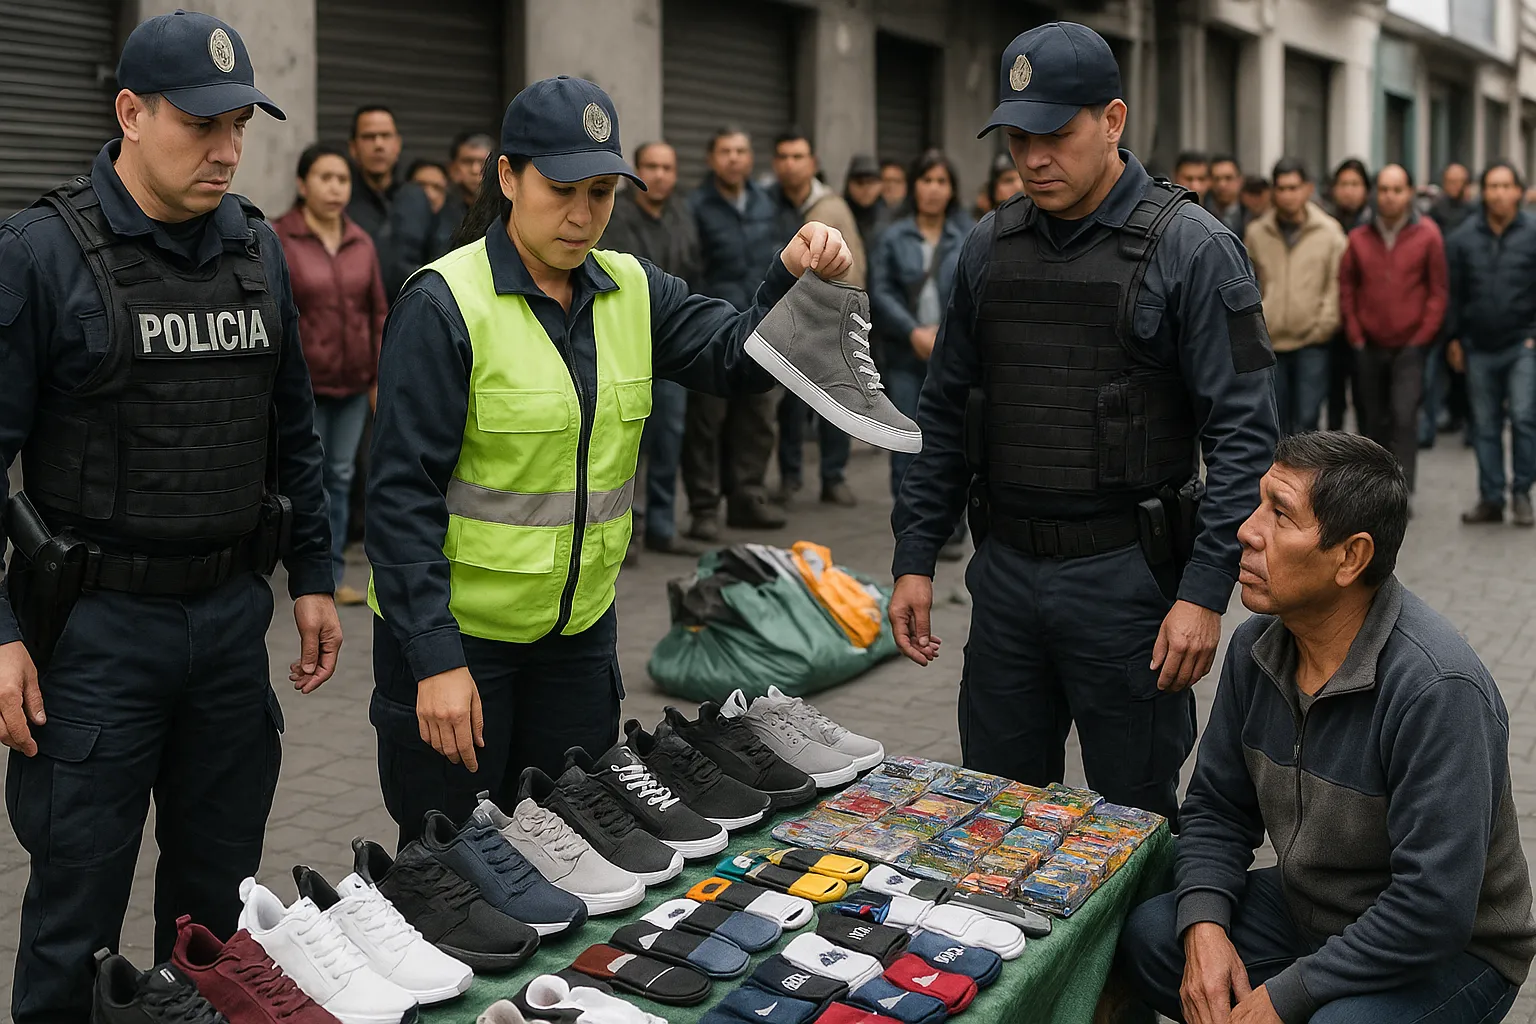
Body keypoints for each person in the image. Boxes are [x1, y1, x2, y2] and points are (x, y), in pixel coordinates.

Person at [364, 76, 852, 842]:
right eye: (561, 190)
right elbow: (399, 496)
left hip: (578, 645)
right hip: (464, 648)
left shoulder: (632, 288)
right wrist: (434, 659)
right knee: (455, 859)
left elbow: (736, 357)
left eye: (600, 192)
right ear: (507, 177)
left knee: (579, 846)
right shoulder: (443, 303)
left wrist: (790, 276)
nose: (582, 214)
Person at [0, 12, 339, 1019]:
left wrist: (314, 576)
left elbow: (293, 430)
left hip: (230, 627)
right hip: (95, 637)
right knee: (75, 921)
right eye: (201, 125)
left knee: (214, 921)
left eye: (239, 125)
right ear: (131, 114)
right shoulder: (40, 254)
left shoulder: (258, 250)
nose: (227, 151)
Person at [887, 23, 1278, 822]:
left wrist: (1203, 594)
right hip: (1005, 578)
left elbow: (1244, 438)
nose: (1033, 159)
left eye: (1056, 135)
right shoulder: (988, 247)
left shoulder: (1195, 251)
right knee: (992, 816)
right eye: (1018, 139)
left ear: (1112, 121)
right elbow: (945, 410)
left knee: (1134, 820)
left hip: (1126, 585)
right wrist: (915, 556)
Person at [1116, 432, 1535, 1024]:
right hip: (1311, 908)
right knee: (1156, 936)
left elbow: (1432, 910)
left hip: (1453, 951)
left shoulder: (1436, 689)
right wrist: (1205, 927)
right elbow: (1217, 809)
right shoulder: (1256, 648)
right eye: (1259, 503)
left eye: (1280, 514)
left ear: (1351, 558)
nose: (1247, 530)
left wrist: (1286, 996)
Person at [275, 143, 388, 603]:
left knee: (340, 478)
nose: (335, 188)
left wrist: (378, 374)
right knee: (306, 479)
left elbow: (377, 312)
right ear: (302, 184)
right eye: (325, 178)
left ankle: (333, 574)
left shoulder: (361, 241)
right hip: (303, 386)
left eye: (342, 179)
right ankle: (301, 568)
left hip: (353, 384)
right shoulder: (280, 237)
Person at [682, 127, 791, 535]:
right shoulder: (696, 206)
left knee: (758, 418)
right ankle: (704, 509)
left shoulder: (767, 203)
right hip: (712, 327)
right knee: (707, 423)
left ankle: (747, 498)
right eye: (725, 151)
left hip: (762, 324)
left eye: (741, 151)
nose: (733, 158)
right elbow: (689, 266)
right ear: (711, 158)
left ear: (750, 158)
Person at [601, 140, 705, 558]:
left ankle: (662, 526)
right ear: (636, 172)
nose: (659, 175)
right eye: (651, 166)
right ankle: (626, 531)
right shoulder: (616, 215)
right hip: (626, 346)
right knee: (627, 444)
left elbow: (694, 268)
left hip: (670, 347)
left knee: (669, 438)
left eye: (667, 167)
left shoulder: (682, 214)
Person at [870, 150, 972, 560]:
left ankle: (952, 529)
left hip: (952, 356)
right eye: (926, 180)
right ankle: (912, 533)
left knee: (953, 441)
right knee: (906, 443)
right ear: (914, 186)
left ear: (952, 189)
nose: (933, 189)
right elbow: (880, 291)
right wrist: (912, 331)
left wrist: (944, 336)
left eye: (941, 182)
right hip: (905, 356)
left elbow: (973, 292)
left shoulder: (966, 235)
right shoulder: (894, 237)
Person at [768, 130, 866, 506]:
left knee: (835, 403)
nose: (790, 165)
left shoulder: (832, 207)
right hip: (785, 320)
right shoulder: (768, 204)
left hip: (828, 322)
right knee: (790, 407)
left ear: (813, 163)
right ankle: (790, 477)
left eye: (798, 157)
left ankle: (833, 477)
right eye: (783, 157)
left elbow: (855, 265)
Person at [1338, 164, 1445, 497]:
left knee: (1403, 417)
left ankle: (1401, 494)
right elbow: (1347, 288)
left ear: (1410, 193)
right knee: (1371, 421)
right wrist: (1355, 334)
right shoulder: (1358, 238)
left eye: (1397, 190)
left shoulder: (1428, 234)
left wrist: (1422, 336)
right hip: (1368, 345)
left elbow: (1438, 291)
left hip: (1410, 346)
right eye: (1383, 189)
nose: (1389, 196)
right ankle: (1374, 494)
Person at [1446, 161, 1536, 528]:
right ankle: (1491, 497)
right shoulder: (1463, 238)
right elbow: (1454, 294)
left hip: (1522, 344)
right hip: (1478, 346)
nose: (1498, 193)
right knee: (1484, 424)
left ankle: (1522, 492)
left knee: (1524, 417)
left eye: (1505, 186)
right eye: (1492, 186)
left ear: (1518, 191)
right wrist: (1454, 338)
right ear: (1482, 192)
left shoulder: (1533, 233)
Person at [1245, 158, 1346, 435]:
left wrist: (1324, 326)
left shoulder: (1329, 232)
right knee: (1273, 422)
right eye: (1281, 188)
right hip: (1270, 341)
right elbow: (1249, 282)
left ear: (1308, 189)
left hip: (1312, 341)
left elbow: (1335, 284)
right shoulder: (1257, 232)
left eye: (1293, 188)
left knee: (1307, 421)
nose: (1287, 195)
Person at [345, 105, 437, 298]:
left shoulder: (416, 198)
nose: (378, 145)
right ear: (353, 148)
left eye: (385, 136)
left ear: (397, 144)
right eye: (369, 137)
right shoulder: (341, 201)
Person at [1424, 161, 1476, 446]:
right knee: (1436, 367)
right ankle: (1435, 421)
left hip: (1465, 295)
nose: (1455, 185)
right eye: (1450, 180)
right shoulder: (1434, 214)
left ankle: (1467, 420)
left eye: (1459, 180)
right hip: (1438, 292)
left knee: (1465, 367)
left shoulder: (1474, 213)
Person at [1325, 158, 1372, 432]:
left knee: (1365, 396)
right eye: (1343, 184)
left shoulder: (1373, 223)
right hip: (1330, 323)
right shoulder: (1325, 223)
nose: (1349, 191)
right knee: (1333, 397)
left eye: (1355, 184)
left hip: (1364, 323)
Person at [433, 131, 495, 258]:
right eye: (467, 162)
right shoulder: (437, 208)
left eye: (483, 162)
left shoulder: (505, 212)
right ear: (452, 168)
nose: (475, 170)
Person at [844, 152, 893, 250]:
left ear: (881, 184)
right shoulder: (840, 214)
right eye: (860, 182)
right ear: (849, 185)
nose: (866, 189)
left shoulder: (891, 220)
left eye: (871, 182)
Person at [1205, 154, 1248, 235]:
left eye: (1228, 178)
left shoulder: (1251, 215)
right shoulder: (1202, 213)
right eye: (1216, 179)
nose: (1222, 185)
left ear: (1240, 180)